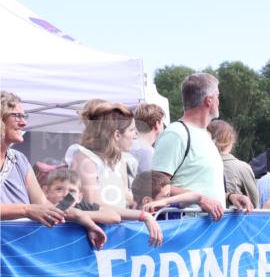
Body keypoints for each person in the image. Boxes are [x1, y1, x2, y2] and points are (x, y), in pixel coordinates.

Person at [151, 73, 253, 219]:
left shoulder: (205, 135)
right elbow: (155, 186)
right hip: (184, 227)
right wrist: (200, 199)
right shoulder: (176, 133)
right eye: (218, 96)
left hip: (206, 230)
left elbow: (200, 186)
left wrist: (230, 197)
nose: (219, 101)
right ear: (209, 101)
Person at [67, 101, 163, 244]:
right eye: (131, 130)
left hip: (115, 235)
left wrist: (153, 200)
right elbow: (94, 205)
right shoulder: (84, 158)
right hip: (84, 238)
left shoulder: (120, 159)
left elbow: (124, 197)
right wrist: (142, 215)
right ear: (117, 135)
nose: (135, 135)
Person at [0, 92, 65, 226]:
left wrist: (78, 212)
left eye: (24, 116)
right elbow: (33, 209)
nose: (24, 123)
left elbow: (43, 205)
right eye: (17, 116)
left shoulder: (19, 160)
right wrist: (26, 209)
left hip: (20, 240)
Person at [41, 168, 121, 249]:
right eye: (59, 189)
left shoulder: (81, 206)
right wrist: (78, 216)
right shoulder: (42, 208)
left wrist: (79, 215)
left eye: (72, 191)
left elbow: (115, 217)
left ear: (79, 197)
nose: (66, 195)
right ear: (45, 192)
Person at [207, 120, 260, 208]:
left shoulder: (198, 165)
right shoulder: (242, 167)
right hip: (233, 214)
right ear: (231, 141)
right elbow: (254, 202)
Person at [130, 102, 165, 175]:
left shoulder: (127, 146)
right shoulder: (148, 152)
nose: (164, 127)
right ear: (157, 124)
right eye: (162, 123)